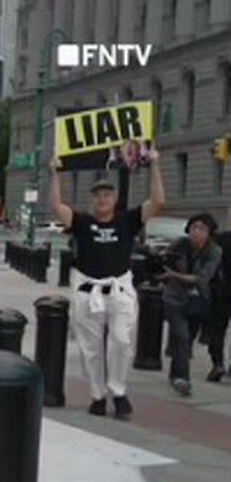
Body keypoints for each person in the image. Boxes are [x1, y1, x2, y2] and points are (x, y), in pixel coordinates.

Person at [46, 150, 164, 417]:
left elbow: (157, 201)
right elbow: (57, 207)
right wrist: (55, 174)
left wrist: (155, 164)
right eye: (98, 195)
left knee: (121, 341)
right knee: (91, 348)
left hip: (119, 290)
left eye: (107, 195)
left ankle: (118, 391)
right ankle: (97, 395)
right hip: (88, 291)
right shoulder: (83, 222)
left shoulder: (127, 220)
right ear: (93, 200)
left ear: (115, 199)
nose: (103, 199)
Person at [159, 214, 221, 397]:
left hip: (198, 301)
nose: (196, 232)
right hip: (174, 298)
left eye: (202, 229)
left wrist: (174, 276)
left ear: (209, 233)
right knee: (182, 336)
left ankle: (174, 372)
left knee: (187, 339)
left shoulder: (214, 251)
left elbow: (202, 278)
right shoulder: (179, 245)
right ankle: (183, 378)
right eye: (194, 228)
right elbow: (165, 263)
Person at [201, 226, 231, 382]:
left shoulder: (220, 240)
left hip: (222, 292)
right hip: (222, 291)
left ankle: (218, 364)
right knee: (217, 330)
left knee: (217, 331)